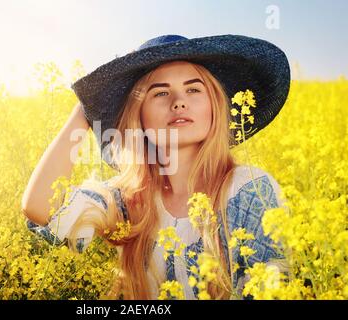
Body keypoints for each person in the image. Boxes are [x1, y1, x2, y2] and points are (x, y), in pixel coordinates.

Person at [21, 34, 291, 300]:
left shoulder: (248, 190)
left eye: (194, 89)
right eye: (160, 92)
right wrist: (85, 110)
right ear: (138, 115)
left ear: (215, 106)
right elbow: (39, 207)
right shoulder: (127, 201)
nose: (179, 101)